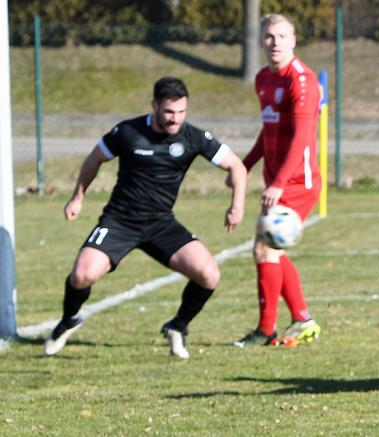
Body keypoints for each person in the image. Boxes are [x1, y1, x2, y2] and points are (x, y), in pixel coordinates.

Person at [44, 76, 247, 360]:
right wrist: (78, 196)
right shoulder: (128, 132)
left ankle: (178, 326)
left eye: (181, 112)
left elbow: (237, 167)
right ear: (154, 106)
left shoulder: (193, 137)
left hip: (161, 224)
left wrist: (236, 206)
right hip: (119, 221)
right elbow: (94, 159)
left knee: (209, 275)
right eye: (168, 112)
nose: (175, 119)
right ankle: (68, 320)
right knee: (81, 275)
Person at [233, 13, 323, 347]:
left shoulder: (301, 80)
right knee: (272, 251)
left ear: (294, 40)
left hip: (298, 181)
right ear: (261, 40)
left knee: (264, 248)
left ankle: (266, 329)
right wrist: (246, 165)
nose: (275, 43)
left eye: (282, 36)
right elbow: (268, 130)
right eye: (269, 36)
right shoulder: (262, 79)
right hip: (279, 178)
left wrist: (280, 182)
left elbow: (303, 136)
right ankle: (302, 318)